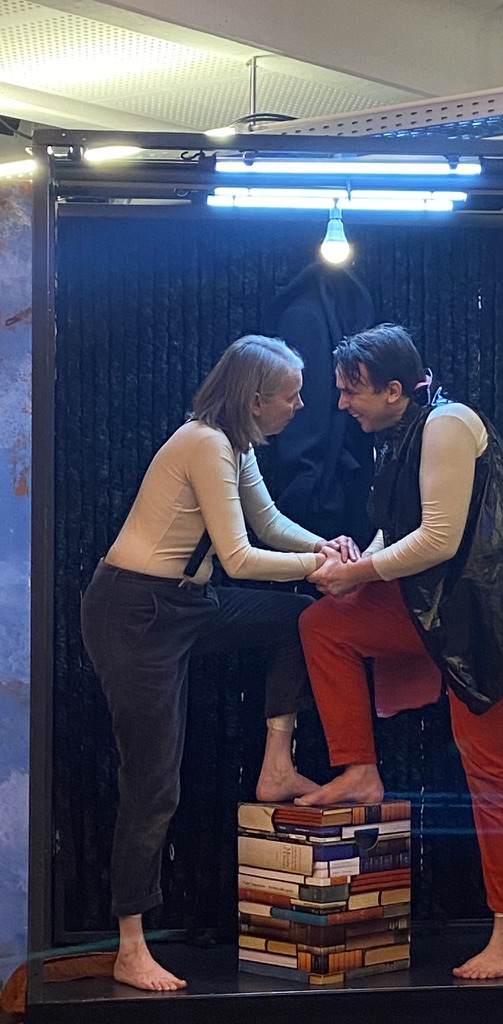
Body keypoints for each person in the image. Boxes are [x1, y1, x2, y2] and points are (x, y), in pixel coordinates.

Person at [297, 324, 503, 980]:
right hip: (434, 614)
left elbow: (438, 540)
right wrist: (358, 566)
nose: (340, 404)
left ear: (393, 390)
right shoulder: (401, 433)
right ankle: (359, 769)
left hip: (488, 625)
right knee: (325, 625)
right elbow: (398, 531)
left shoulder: (448, 425)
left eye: (350, 391)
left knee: (492, 777)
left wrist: (357, 574)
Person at [81, 334, 358, 993]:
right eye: (291, 396)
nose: (301, 406)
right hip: (136, 611)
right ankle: (130, 945)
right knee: (153, 783)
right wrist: (318, 568)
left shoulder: (236, 443)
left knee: (302, 620)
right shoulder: (204, 442)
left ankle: (276, 765)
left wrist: (327, 549)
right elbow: (239, 558)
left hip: (188, 603)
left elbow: (269, 523)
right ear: (255, 400)